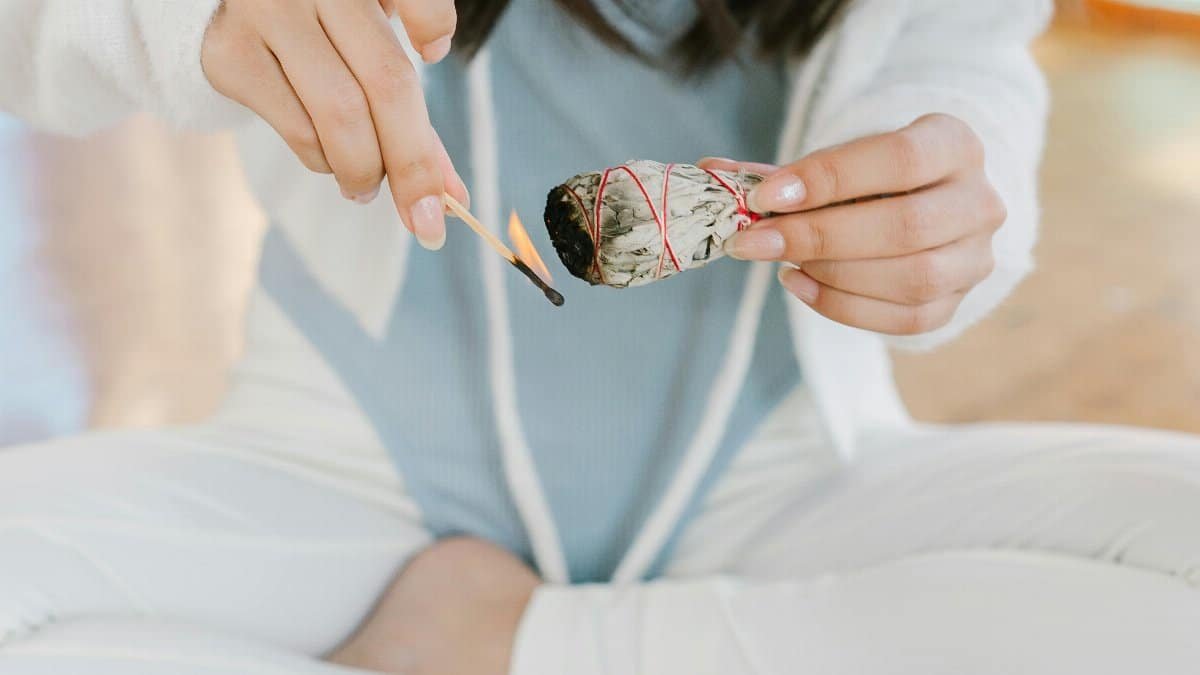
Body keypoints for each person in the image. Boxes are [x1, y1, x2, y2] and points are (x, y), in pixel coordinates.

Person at [2, 1, 1199, 673]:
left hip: (789, 483)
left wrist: (944, 198)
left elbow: (966, 54)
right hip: (340, 481)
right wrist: (187, 18)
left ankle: (497, 647)